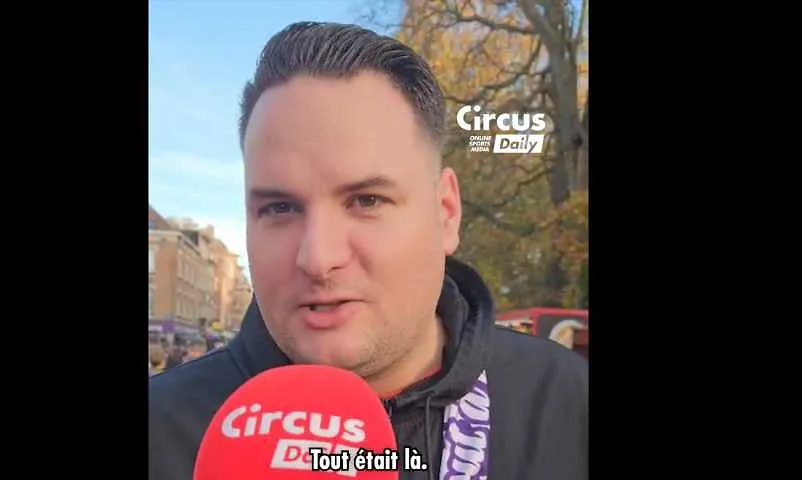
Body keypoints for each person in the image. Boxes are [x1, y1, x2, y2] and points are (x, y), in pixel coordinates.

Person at [149, 21, 588, 480]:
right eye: (280, 207)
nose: (318, 258)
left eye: (366, 201)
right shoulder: (162, 432)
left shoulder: (565, 404)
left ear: (446, 213)